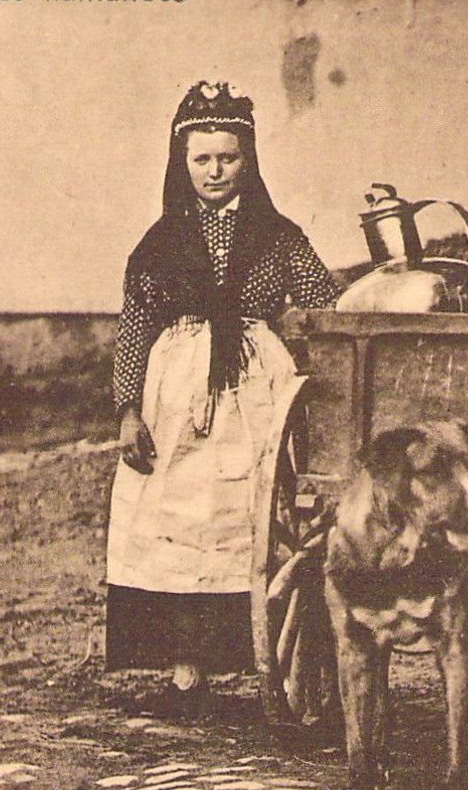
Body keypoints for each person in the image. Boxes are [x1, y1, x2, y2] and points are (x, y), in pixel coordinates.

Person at [106, 81, 340, 717]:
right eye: (202, 160)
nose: (215, 171)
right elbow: (134, 328)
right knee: (176, 518)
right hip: (176, 397)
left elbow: (323, 300)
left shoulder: (277, 234)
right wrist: (129, 409)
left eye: (228, 158)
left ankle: (263, 654)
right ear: (183, 164)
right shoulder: (160, 243)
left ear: (249, 159)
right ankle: (186, 672)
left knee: (249, 514)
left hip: (256, 390)